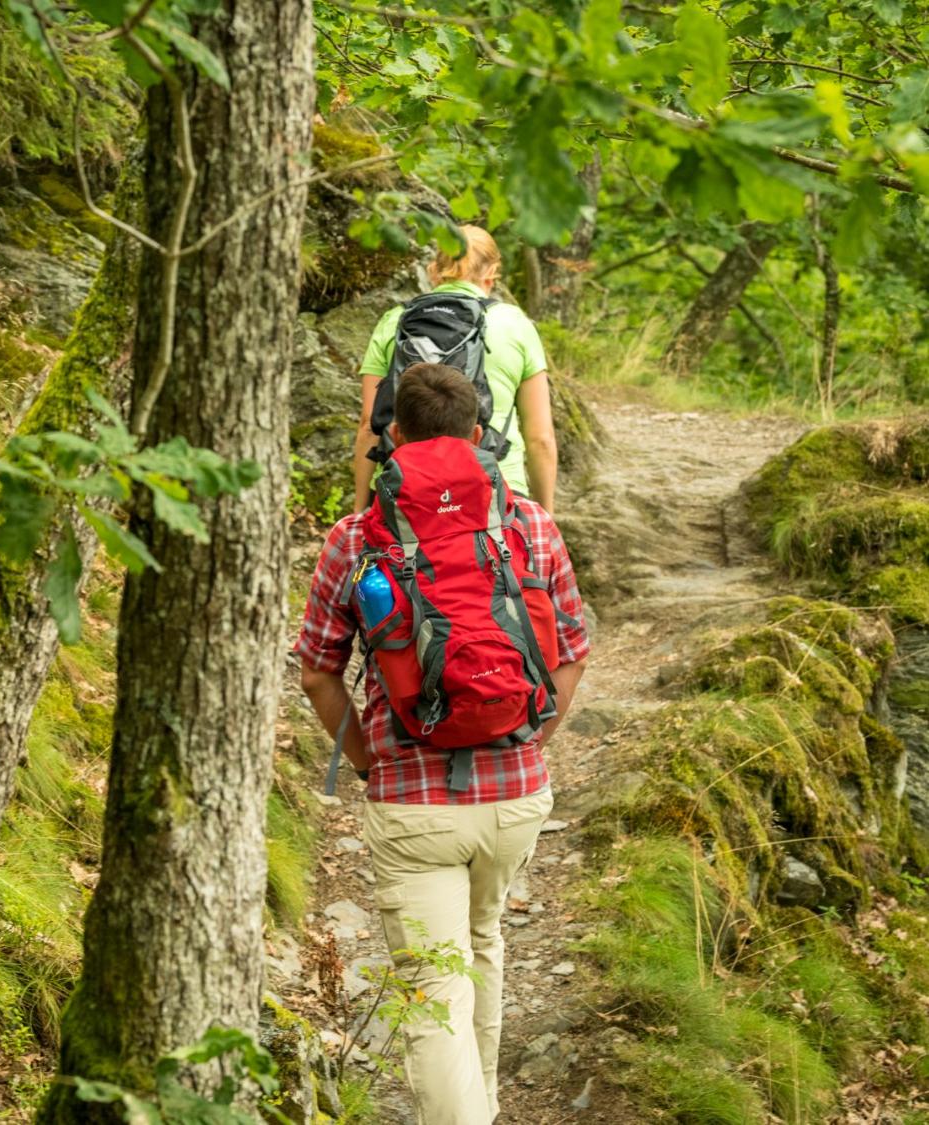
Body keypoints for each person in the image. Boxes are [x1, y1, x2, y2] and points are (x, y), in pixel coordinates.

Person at [298, 363, 589, 1125]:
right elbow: (573, 651)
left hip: (413, 804)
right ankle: (482, 1108)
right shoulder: (531, 524)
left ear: (393, 435)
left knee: (433, 993)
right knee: (483, 942)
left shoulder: (356, 537)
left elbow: (318, 671)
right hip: (517, 795)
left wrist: (369, 761)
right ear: (478, 433)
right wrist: (533, 735)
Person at [352, 226, 559, 515]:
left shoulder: (396, 320)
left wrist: (360, 511)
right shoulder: (515, 324)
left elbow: (369, 425)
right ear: (492, 273)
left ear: (434, 269)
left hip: (404, 489)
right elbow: (541, 438)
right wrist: (545, 517)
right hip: (497, 487)